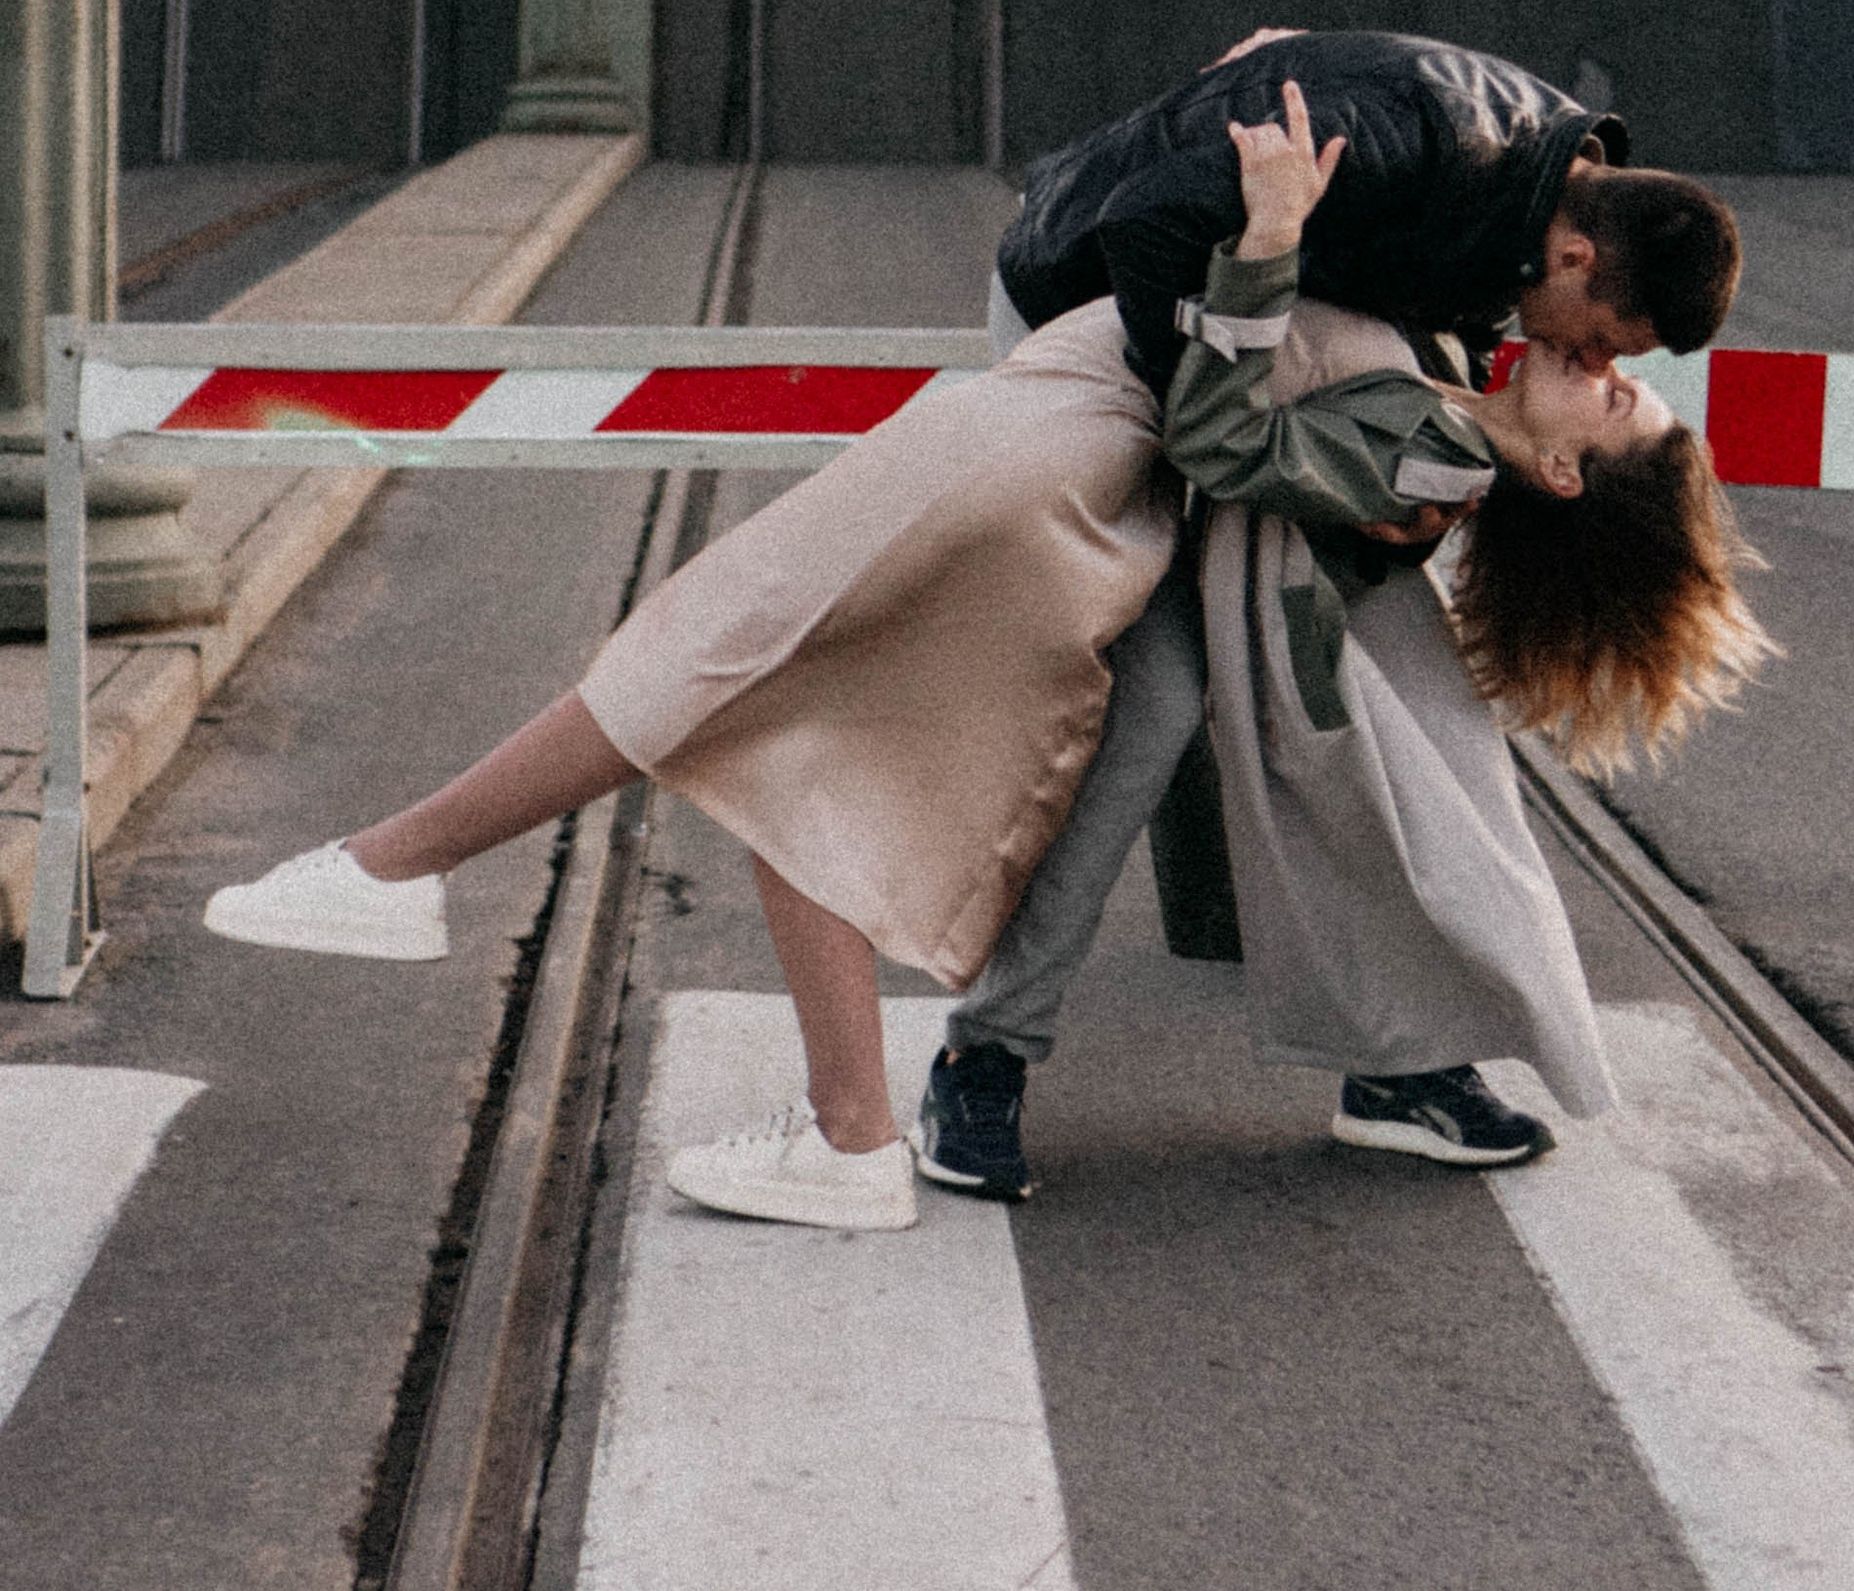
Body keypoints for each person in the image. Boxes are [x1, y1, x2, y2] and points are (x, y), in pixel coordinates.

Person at [197, 95, 1758, 1232]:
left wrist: (1271, 239)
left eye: (1616, 400)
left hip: (1045, 457)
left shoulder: (1427, 460)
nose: (1601, 369)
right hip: (1048, 440)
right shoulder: (1451, 362)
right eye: (1620, 363)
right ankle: (838, 1117)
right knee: (767, 704)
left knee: (739, 667)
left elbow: (1228, 434)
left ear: (1562, 481)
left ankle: (428, 884)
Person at [923, 27, 1745, 1194]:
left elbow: (1326, 403)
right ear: (1570, 252)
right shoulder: (1438, 157)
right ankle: (989, 1058)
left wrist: (1271, 397)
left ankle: (1386, 1063)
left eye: (1611, 384)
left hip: (1226, 407)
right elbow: (1150, 239)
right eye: (1608, 342)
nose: (1590, 361)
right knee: (1155, 710)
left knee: (1245, 725)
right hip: (1098, 318)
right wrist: (1225, 365)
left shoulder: (1503, 279)